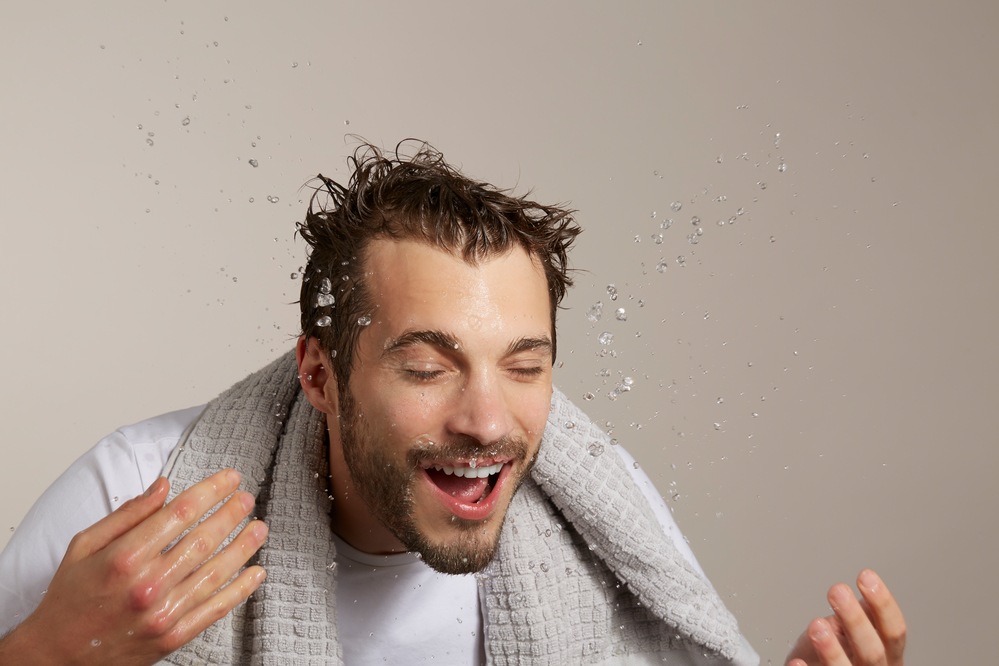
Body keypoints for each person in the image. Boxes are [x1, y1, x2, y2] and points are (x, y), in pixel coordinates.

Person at [0, 142, 905, 665]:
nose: (486, 421)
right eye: (427, 368)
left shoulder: (597, 516)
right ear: (319, 374)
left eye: (523, 366)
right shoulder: (139, 500)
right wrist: (41, 652)